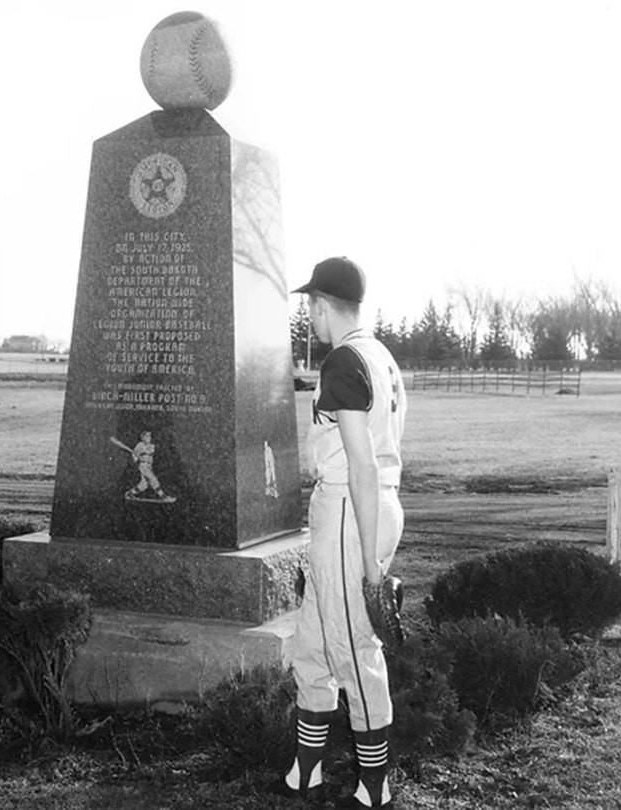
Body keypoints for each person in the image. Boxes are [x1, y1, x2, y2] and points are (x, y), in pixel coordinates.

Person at [281, 257, 407, 808]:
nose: (308, 312)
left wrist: (372, 567)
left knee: (353, 647)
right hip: (373, 505)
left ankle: (374, 786)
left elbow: (360, 464)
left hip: (351, 511)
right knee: (313, 640)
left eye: (311, 303)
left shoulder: (343, 361)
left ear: (325, 305)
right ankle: (305, 772)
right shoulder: (381, 356)